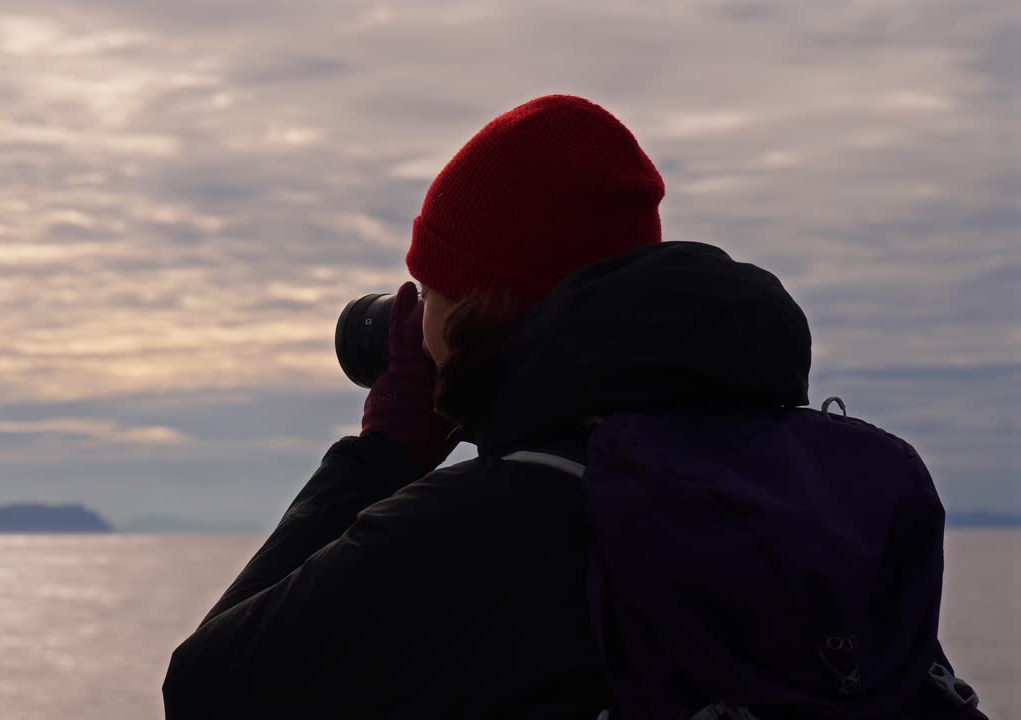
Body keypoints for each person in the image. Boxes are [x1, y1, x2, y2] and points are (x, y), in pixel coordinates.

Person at [161, 95, 984, 718]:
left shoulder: (487, 523)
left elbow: (206, 692)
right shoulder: (807, 501)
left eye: (433, 295)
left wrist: (385, 453)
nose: (417, 325)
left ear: (480, 312)